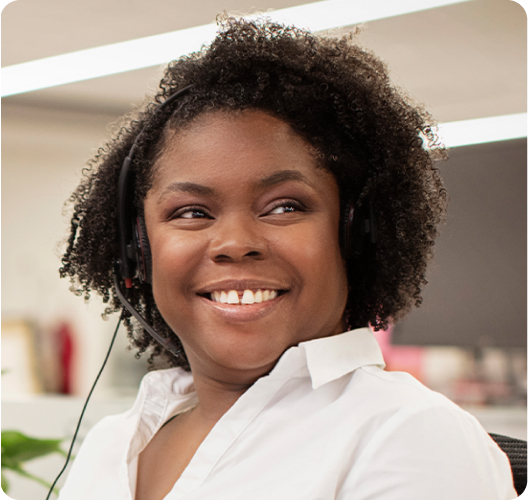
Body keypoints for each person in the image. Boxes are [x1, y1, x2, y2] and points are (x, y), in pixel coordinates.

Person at [57, 17, 516, 500]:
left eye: (284, 206)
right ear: (138, 252)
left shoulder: (408, 436)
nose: (234, 242)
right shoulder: (111, 445)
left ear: (354, 234)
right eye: (192, 212)